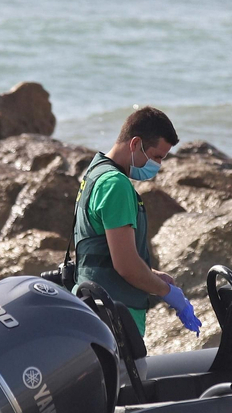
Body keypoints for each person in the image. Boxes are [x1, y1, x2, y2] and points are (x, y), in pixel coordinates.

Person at [72, 106, 200, 337]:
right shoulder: (116, 185)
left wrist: (151, 275)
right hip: (114, 317)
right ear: (134, 144)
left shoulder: (95, 173)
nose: (158, 166)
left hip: (92, 308)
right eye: (156, 156)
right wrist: (167, 293)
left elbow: (106, 251)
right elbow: (127, 266)